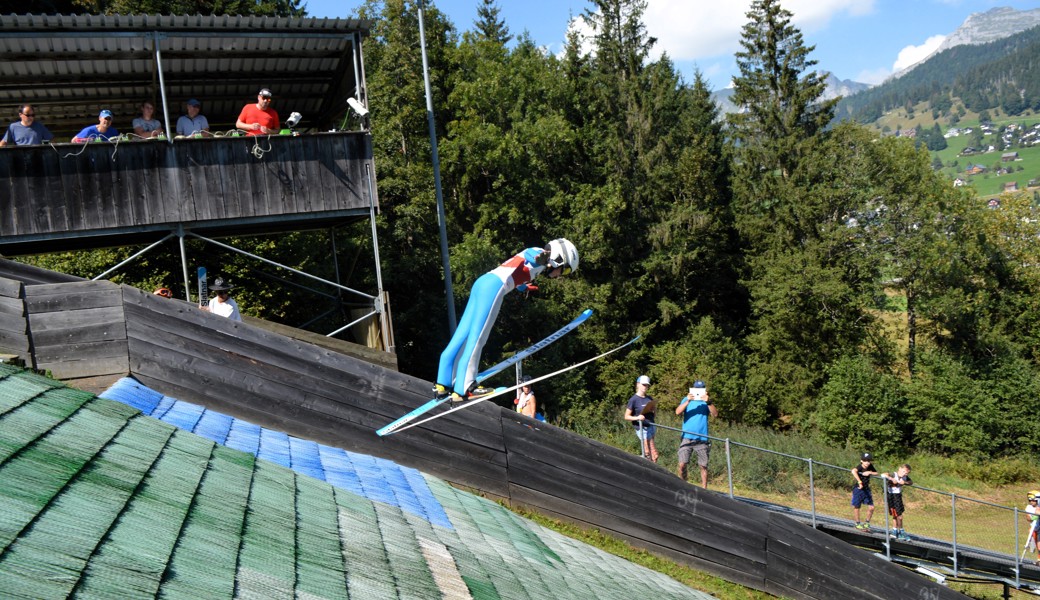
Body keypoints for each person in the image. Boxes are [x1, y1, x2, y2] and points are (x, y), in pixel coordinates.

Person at [434, 239, 579, 402]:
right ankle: (465, 387)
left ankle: (443, 383)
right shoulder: (539, 255)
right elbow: (531, 256)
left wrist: (524, 287)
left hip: (482, 283)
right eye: (565, 271)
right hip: (494, 288)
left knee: (462, 334)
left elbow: (520, 269)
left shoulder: (540, 264)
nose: (561, 275)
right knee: (478, 337)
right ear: (560, 258)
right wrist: (544, 257)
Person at [676, 380, 718, 487]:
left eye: (701, 389)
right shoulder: (686, 399)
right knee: (682, 464)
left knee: (703, 465)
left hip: (702, 438)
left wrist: (708, 402)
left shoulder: (706, 402)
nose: (699, 391)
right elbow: (677, 412)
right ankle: (682, 485)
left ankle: (704, 488)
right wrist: (688, 401)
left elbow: (715, 414)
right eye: (697, 389)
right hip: (687, 437)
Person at [624, 375, 658, 462]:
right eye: (643, 384)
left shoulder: (649, 398)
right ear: (638, 384)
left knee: (654, 455)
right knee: (648, 453)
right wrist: (637, 417)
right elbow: (626, 416)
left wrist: (653, 410)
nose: (645, 387)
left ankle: (653, 470)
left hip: (651, 426)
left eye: (647, 385)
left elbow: (654, 415)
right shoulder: (633, 399)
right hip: (642, 428)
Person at [881, 464, 913, 540]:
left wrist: (904, 482)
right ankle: (899, 531)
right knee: (897, 515)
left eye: (907, 473)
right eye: (904, 471)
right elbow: (883, 474)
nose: (905, 474)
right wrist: (891, 479)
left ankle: (896, 531)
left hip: (898, 496)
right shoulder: (893, 474)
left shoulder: (904, 477)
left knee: (898, 515)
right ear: (899, 469)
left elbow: (911, 482)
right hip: (891, 496)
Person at [851, 452, 879, 531]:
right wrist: (859, 482)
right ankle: (857, 523)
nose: (867, 462)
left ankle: (866, 523)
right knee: (857, 506)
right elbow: (853, 471)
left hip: (866, 489)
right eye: (865, 460)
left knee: (871, 507)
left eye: (868, 460)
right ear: (861, 461)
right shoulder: (860, 467)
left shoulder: (870, 466)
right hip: (858, 489)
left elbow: (877, 473)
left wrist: (870, 472)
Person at [1027, 491, 1040, 565]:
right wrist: (1033, 517)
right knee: (1037, 545)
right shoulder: (1029, 507)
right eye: (1030, 500)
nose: (1031, 502)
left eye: (1033, 500)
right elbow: (1028, 518)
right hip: (1034, 528)